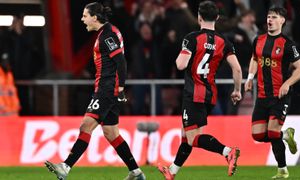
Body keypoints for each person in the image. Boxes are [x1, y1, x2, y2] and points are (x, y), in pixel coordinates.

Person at [44, 2, 146, 180]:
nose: (82, 19)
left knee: (86, 125)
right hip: (107, 88)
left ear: (95, 17)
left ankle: (65, 166)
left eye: (85, 15)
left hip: (107, 89)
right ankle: (136, 172)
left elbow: (121, 61)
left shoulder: (107, 35)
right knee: (111, 133)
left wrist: (120, 87)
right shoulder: (108, 32)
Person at [157, 1, 242, 179]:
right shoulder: (224, 41)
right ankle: (172, 171)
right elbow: (237, 69)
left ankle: (228, 152)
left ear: (199, 17)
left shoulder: (192, 38)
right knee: (186, 135)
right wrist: (237, 91)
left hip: (193, 93)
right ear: (217, 18)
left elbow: (180, 65)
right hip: (210, 95)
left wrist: (182, 54)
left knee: (193, 137)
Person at [244, 6, 300, 179]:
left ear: (282, 21)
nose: (270, 20)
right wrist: (249, 78)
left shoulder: (287, 44)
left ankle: (282, 170)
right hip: (262, 96)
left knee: (272, 133)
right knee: (257, 135)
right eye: (269, 17)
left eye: (274, 17)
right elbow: (255, 58)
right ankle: (285, 135)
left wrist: (287, 83)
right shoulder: (259, 40)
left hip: (280, 95)